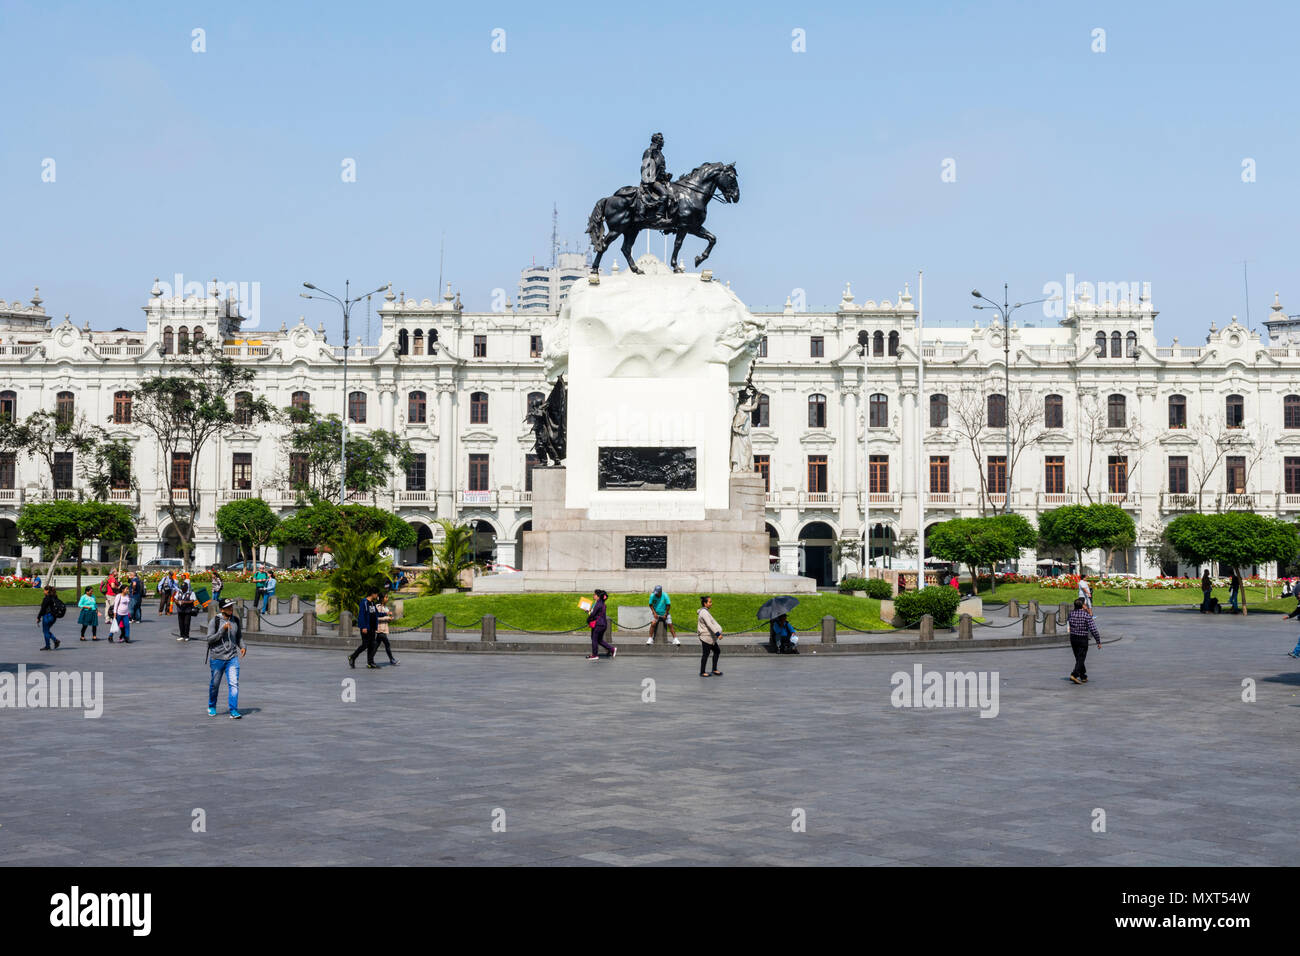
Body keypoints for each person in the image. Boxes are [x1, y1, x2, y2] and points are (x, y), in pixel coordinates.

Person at [207, 600, 246, 718]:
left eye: (231, 607)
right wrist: (222, 630)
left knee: (234, 683)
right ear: (222, 609)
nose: (231, 609)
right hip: (217, 657)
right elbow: (209, 639)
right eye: (228, 607)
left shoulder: (236, 620)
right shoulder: (215, 621)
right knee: (215, 684)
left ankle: (233, 710)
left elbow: (238, 636)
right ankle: (212, 705)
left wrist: (243, 646)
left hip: (232, 657)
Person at [1067, 597, 1102, 684]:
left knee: (1078, 658)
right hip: (1082, 638)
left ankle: (1083, 676)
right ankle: (1074, 675)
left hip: (1073, 638)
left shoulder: (1071, 614)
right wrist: (1098, 641)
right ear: (1082, 605)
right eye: (1085, 604)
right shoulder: (1086, 615)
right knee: (1081, 657)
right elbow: (1093, 629)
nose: (1086, 605)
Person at [348, 590, 380, 669]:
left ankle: (370, 663)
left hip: (372, 628)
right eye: (377, 594)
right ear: (373, 594)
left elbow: (376, 613)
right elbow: (361, 615)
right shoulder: (364, 602)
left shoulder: (372, 603)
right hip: (366, 628)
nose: (377, 596)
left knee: (371, 645)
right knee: (365, 644)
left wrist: (386, 614)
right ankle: (352, 656)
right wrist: (364, 627)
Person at [697, 595, 723, 677]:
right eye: (710, 602)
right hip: (706, 637)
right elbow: (709, 624)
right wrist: (718, 634)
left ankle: (714, 669)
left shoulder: (705, 611)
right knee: (706, 654)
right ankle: (702, 672)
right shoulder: (704, 612)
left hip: (710, 637)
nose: (711, 603)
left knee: (717, 651)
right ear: (705, 603)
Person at [585, 589, 616, 660]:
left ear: (598, 596)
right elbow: (596, 613)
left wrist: (588, 620)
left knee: (594, 639)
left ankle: (595, 655)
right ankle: (612, 649)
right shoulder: (601, 603)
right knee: (599, 640)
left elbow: (593, 614)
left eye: (595, 594)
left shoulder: (598, 604)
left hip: (598, 624)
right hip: (602, 624)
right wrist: (588, 612)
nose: (594, 595)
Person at [372, 593, 399, 666]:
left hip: (384, 629)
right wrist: (387, 617)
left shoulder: (385, 607)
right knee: (387, 644)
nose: (387, 599)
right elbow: (376, 617)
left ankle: (370, 659)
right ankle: (392, 659)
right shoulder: (377, 607)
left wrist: (390, 619)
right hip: (380, 629)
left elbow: (386, 617)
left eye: (387, 597)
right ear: (382, 599)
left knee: (376, 645)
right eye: (386, 597)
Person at [37, 585, 61, 650]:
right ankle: (55, 641)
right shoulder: (55, 597)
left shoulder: (47, 598)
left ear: (47, 591)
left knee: (45, 631)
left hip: (47, 616)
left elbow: (43, 609)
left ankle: (48, 645)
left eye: (44, 590)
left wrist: (38, 617)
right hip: (54, 616)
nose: (43, 592)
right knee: (46, 630)